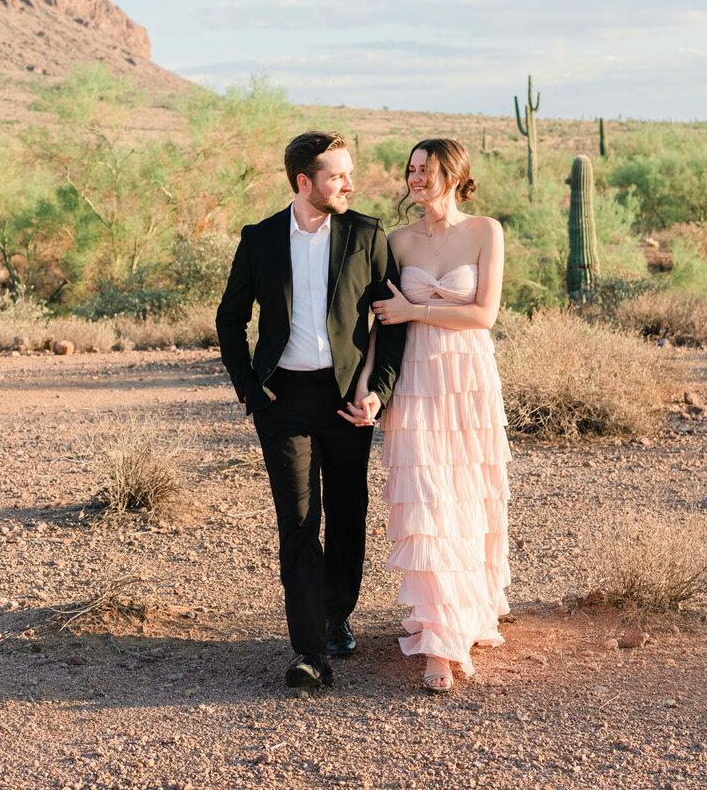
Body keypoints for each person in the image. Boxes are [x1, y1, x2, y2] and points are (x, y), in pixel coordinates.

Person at [216, 130, 406, 690]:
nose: (350, 183)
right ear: (305, 182)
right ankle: (309, 652)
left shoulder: (367, 234)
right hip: (283, 402)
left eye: (349, 173)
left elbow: (390, 320)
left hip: (347, 398)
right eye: (337, 175)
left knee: (348, 513)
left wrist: (380, 390)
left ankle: (336, 614)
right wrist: (249, 389)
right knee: (299, 523)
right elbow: (230, 318)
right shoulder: (261, 238)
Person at [368, 138, 511, 694]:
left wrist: (418, 309)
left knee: (468, 497)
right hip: (417, 377)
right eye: (410, 170)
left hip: (468, 377)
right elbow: (381, 322)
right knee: (427, 499)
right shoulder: (397, 240)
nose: (415, 178)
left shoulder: (485, 232)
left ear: (454, 174)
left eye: (426, 169)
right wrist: (371, 388)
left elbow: (483, 314)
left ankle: (465, 615)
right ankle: (437, 644)